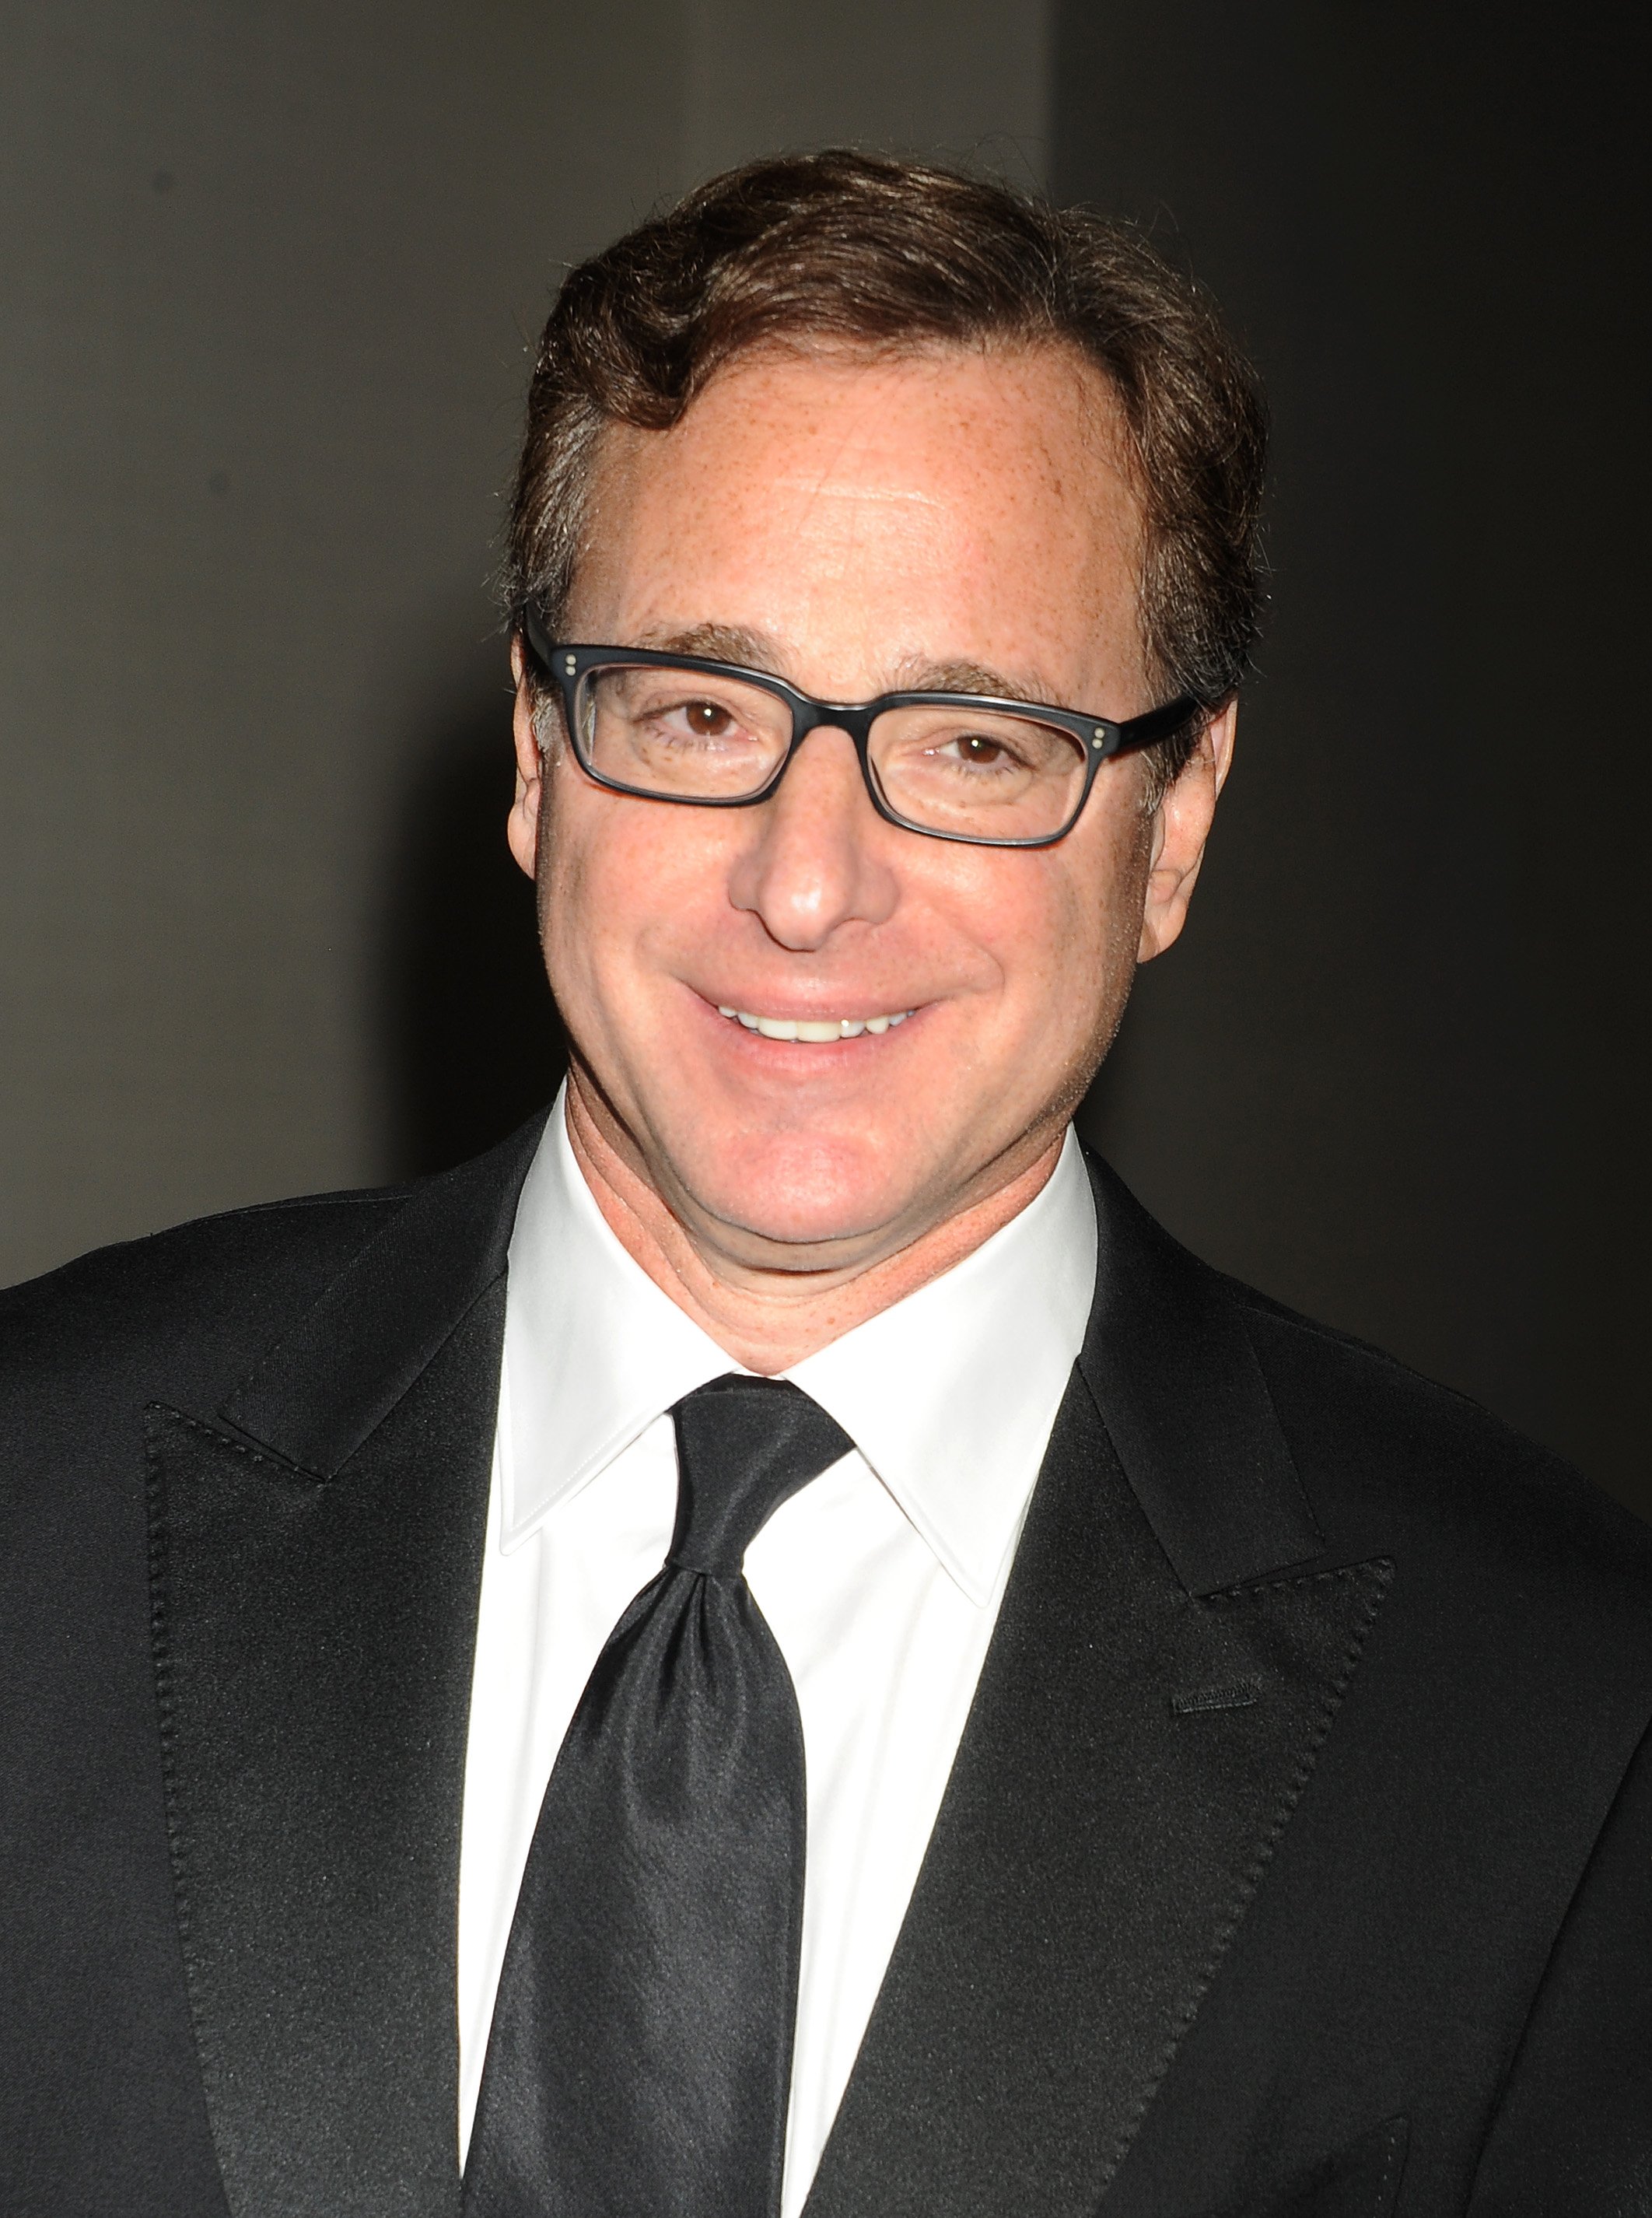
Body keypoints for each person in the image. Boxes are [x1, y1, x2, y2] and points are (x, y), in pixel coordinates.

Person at [2, 150, 1647, 2218]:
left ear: (1171, 823)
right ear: (533, 747)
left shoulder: (1553, 1720)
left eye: (973, 741)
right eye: (696, 709)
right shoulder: (32, 1499)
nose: (802, 881)